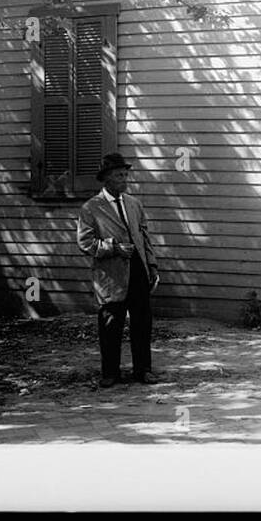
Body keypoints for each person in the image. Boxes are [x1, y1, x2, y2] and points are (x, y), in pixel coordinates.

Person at [77, 152, 161, 386]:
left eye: (125, 174)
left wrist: (152, 265)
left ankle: (143, 370)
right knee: (110, 324)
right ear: (106, 179)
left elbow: (145, 238)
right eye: (118, 175)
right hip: (111, 275)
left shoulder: (134, 204)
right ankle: (110, 373)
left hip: (138, 270)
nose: (124, 179)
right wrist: (112, 248)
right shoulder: (91, 208)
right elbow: (85, 243)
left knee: (142, 322)